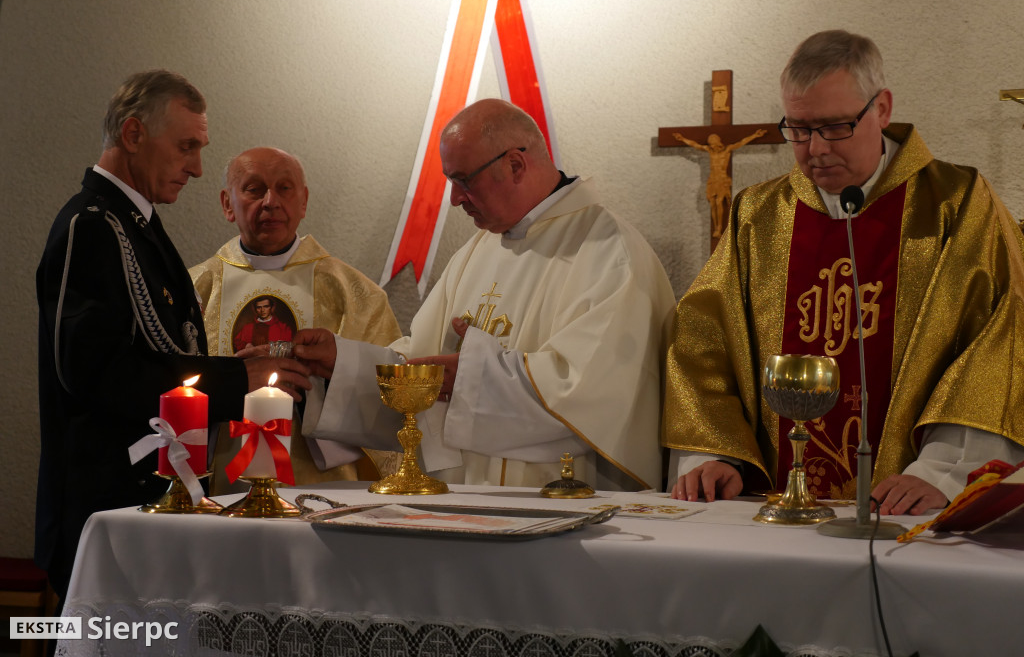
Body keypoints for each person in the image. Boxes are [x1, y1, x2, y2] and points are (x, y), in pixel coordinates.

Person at [663, 30, 1024, 516]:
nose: (814, 149)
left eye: (834, 127)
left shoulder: (956, 203)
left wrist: (942, 471)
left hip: (909, 504)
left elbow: (1001, 339)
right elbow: (703, 343)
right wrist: (718, 452)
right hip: (771, 506)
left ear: (882, 109)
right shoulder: (759, 214)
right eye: (798, 129)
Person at [294, 99, 676, 491]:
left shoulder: (611, 253)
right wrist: (340, 366)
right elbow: (426, 365)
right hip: (463, 504)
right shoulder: (477, 251)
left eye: (464, 181)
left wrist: (472, 377)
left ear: (515, 164)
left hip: (566, 510)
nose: (455, 199)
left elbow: (594, 396)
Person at [36, 71, 310, 598]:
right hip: (109, 509)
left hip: (150, 507)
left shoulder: (138, 225)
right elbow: (91, 373)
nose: (198, 168)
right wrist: (233, 379)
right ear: (134, 135)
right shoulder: (90, 225)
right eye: (186, 147)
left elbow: (164, 349)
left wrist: (237, 373)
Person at [190, 147, 402, 491]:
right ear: (228, 204)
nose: (270, 201)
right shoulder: (195, 288)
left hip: (322, 485)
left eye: (284, 188)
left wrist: (318, 385)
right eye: (254, 189)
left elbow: (388, 397)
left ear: (303, 202)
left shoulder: (354, 294)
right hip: (219, 482)